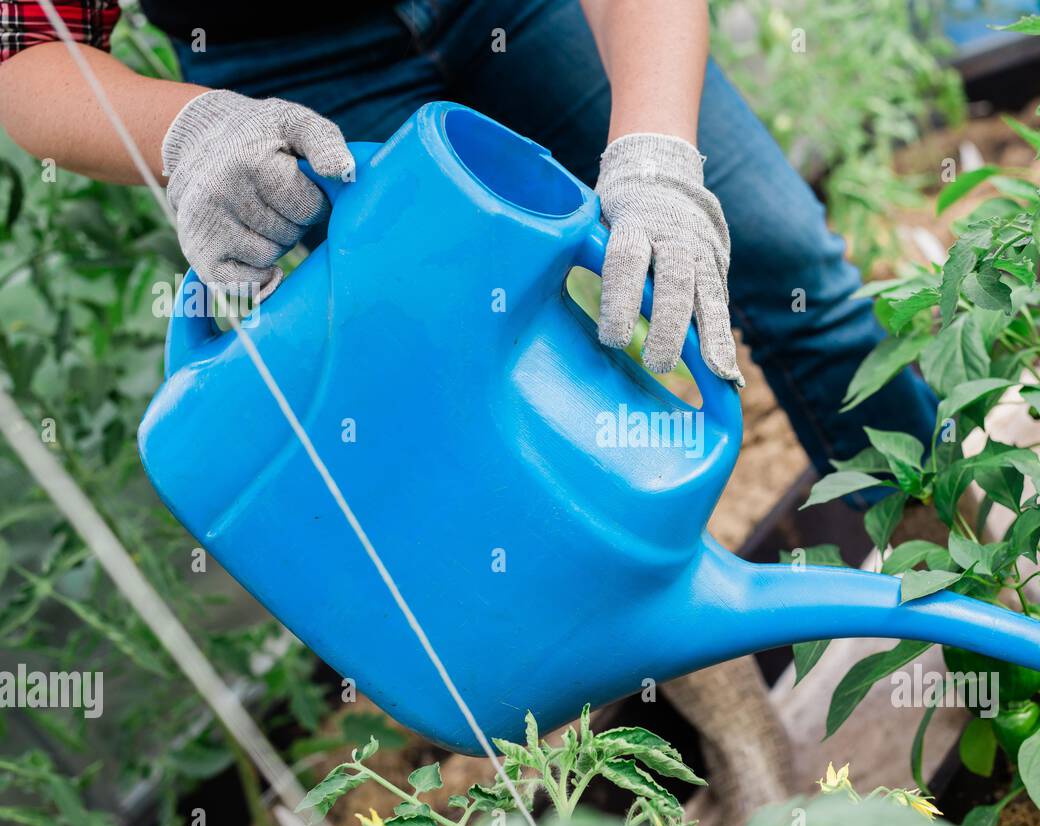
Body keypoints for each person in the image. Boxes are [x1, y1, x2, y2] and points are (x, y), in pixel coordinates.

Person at [0, 0, 937, 476]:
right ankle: (712, 725)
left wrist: (656, 151)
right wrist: (189, 131)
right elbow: (24, 48)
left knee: (782, 265)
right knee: (492, 422)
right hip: (282, 68)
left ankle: (962, 594)